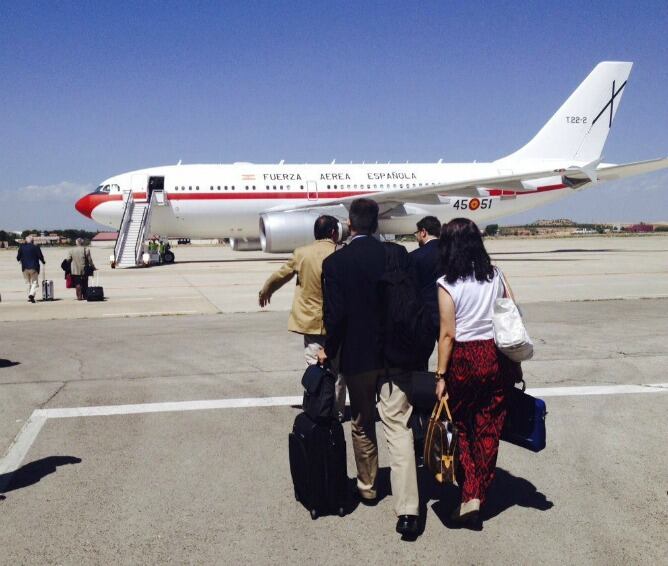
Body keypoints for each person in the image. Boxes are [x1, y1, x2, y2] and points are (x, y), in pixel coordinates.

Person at [318, 198, 419, 538]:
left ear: (350, 223)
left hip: (357, 358)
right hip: (394, 358)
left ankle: (368, 487)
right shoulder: (396, 256)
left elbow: (336, 318)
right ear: (377, 224)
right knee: (398, 428)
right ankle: (408, 510)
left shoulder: (335, 263)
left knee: (361, 423)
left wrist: (328, 353)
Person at [434, 217, 513, 530]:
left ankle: (470, 496)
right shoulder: (496, 276)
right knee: (489, 426)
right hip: (493, 355)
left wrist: (440, 375)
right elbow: (511, 315)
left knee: (460, 425)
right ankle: (479, 490)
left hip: (464, 359)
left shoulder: (447, 284)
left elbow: (447, 334)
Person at [258, 215, 346, 418]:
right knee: (339, 371)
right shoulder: (341, 252)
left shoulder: (302, 253)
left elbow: (281, 275)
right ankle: (337, 411)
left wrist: (266, 291)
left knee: (315, 368)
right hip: (339, 322)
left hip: (312, 322)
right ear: (334, 232)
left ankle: (320, 409)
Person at [408, 216, 442, 370]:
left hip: (424, 315)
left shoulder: (415, 257)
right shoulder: (452, 252)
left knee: (420, 360)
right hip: (449, 313)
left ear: (423, 232)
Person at [16, 235, 45, 303]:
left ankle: (30, 296)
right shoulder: (36, 247)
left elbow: (18, 258)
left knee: (27, 283)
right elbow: (40, 256)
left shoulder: (22, 247)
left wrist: (21, 258)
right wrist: (43, 261)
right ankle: (31, 294)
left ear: (26, 240)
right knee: (34, 282)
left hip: (25, 267)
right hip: (34, 267)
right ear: (32, 241)